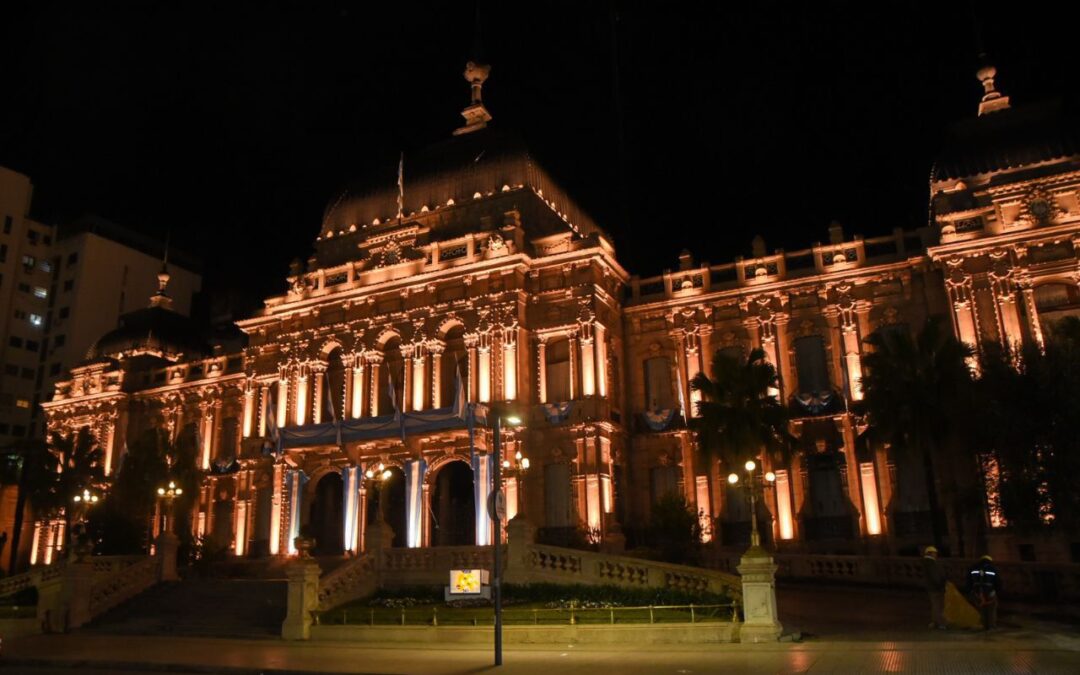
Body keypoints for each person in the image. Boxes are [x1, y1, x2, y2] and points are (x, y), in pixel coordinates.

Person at [966, 554, 1002, 630]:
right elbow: (998, 582)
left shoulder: (973, 568)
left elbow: (968, 581)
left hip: (977, 592)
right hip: (990, 592)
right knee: (991, 610)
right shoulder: (993, 569)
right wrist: (998, 592)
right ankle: (991, 626)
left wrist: (971, 591)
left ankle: (983, 625)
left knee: (981, 609)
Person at [923, 545, 947, 629]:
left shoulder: (926, 563)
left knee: (934, 605)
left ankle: (934, 622)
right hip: (936, 588)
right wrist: (941, 584)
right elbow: (935, 576)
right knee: (938, 606)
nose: (936, 555)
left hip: (931, 587)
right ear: (931, 553)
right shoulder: (931, 563)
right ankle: (940, 623)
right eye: (935, 553)